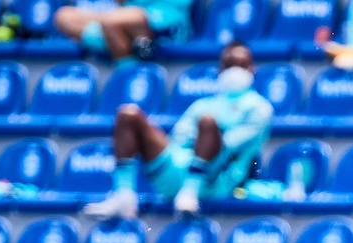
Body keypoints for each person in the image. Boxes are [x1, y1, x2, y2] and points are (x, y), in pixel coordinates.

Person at [82, 42, 273, 220]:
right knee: (128, 115)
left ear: (252, 69)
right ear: (220, 70)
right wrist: (199, 141)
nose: (234, 71)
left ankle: (190, 191)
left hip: (216, 180)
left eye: (241, 65)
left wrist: (207, 135)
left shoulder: (260, 108)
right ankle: (123, 195)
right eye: (229, 65)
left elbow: (229, 144)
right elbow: (179, 137)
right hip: (176, 167)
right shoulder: (203, 104)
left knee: (208, 122)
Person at [54, 0, 193, 62]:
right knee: (64, 16)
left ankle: (126, 70)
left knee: (112, 21)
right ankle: (114, 40)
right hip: (121, 17)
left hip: (165, 18)